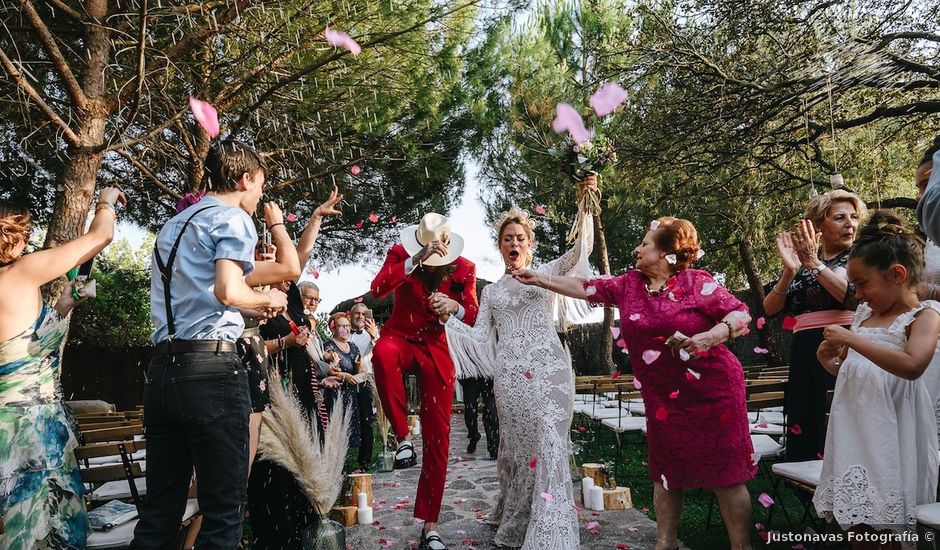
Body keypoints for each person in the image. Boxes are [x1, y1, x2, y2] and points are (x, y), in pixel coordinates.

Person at [515, 216, 754, 550]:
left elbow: (740, 314)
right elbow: (585, 288)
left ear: (666, 251)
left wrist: (710, 336)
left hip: (713, 391)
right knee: (666, 472)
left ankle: (741, 546)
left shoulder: (696, 281)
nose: (637, 248)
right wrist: (539, 278)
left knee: (726, 476)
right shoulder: (628, 285)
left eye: (644, 243)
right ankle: (665, 543)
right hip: (664, 399)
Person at [132, 141, 287, 549]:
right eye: (259, 186)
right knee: (223, 510)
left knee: (159, 512)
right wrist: (266, 299)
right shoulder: (234, 219)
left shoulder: (173, 224)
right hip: (211, 372)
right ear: (245, 178)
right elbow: (228, 290)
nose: (258, 197)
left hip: (162, 373)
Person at [438, 178, 596, 549]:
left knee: (549, 440)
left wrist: (585, 203)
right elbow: (479, 339)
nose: (514, 243)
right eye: (507, 238)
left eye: (520, 238)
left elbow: (580, 250)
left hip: (549, 369)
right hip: (510, 377)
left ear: (530, 244)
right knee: (519, 449)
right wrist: (449, 317)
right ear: (500, 245)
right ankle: (519, 515)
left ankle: (551, 523)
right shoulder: (492, 292)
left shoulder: (545, 272)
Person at [0, 188, 126, 548]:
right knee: (42, 532)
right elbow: (100, 236)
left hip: (9, 429)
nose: (27, 238)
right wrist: (105, 199)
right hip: (31, 432)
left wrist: (65, 303)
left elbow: (24, 346)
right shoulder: (22, 271)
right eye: (22, 230)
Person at [814, 211, 940, 545]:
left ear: (897, 274)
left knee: (887, 526)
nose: (857, 294)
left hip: (893, 436)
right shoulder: (864, 315)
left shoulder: (924, 316)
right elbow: (860, 374)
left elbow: (912, 366)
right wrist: (830, 361)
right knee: (857, 525)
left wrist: (853, 339)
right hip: (854, 432)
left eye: (862, 284)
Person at [370, 212, 479, 550]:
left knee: (439, 439)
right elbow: (377, 290)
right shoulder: (402, 254)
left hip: (435, 346)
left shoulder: (464, 268)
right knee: (382, 354)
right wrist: (416, 259)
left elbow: (473, 314)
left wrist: (453, 306)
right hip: (400, 338)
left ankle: (430, 524)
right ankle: (402, 438)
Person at [762, 190, 867, 462]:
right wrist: (789, 270)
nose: (850, 224)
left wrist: (814, 264)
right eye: (840, 217)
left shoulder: (861, 257)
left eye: (854, 217)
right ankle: (806, 482)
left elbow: (853, 298)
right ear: (818, 225)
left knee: (836, 411)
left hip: (841, 343)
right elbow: (770, 309)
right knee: (806, 412)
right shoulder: (803, 261)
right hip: (803, 347)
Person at [247, 281, 339, 550]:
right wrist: (286, 342)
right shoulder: (257, 302)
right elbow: (250, 347)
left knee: (306, 467)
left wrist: (322, 376)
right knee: (279, 471)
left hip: (304, 399)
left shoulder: (295, 309)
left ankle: (307, 533)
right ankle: (280, 539)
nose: (288, 279)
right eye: (282, 271)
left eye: (291, 277)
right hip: (276, 399)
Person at [324, 312, 364, 451]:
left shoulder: (353, 347)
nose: (345, 329)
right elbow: (328, 370)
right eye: (341, 326)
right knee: (335, 433)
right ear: (334, 328)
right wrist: (345, 376)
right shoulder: (328, 347)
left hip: (351, 395)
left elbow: (360, 370)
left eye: (347, 326)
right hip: (335, 394)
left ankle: (348, 466)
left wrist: (359, 369)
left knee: (349, 433)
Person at [348, 303, 379, 469]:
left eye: (363, 313)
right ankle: (345, 458)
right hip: (345, 381)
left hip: (364, 380)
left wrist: (375, 337)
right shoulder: (344, 331)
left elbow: (381, 352)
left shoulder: (373, 334)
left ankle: (365, 461)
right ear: (350, 316)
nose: (360, 316)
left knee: (366, 420)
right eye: (356, 313)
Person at [457, 377, 499, 459]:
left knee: (491, 412)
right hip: (470, 377)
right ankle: (473, 436)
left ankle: (494, 447)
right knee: (470, 413)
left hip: (489, 376)